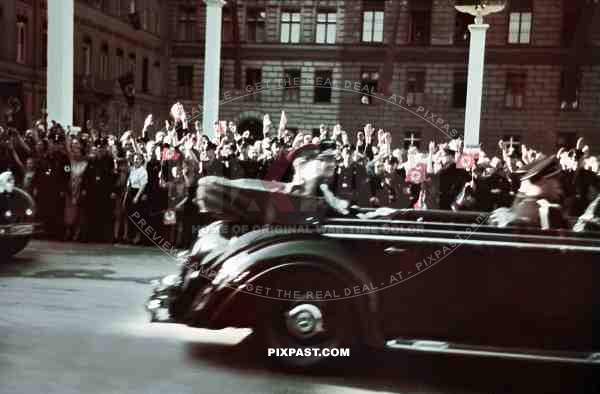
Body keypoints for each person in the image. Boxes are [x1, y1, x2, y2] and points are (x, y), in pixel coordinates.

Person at [489, 155, 567, 229]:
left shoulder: (502, 214)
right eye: (554, 179)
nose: (558, 185)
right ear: (542, 183)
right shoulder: (550, 212)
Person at [125, 153, 148, 244]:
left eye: (138, 159)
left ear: (142, 161)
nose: (136, 160)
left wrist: (137, 196)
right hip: (131, 192)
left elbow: (143, 185)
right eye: (135, 159)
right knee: (131, 216)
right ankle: (131, 236)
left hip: (137, 193)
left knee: (138, 217)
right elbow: (129, 181)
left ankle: (138, 237)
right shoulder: (132, 169)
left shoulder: (143, 171)